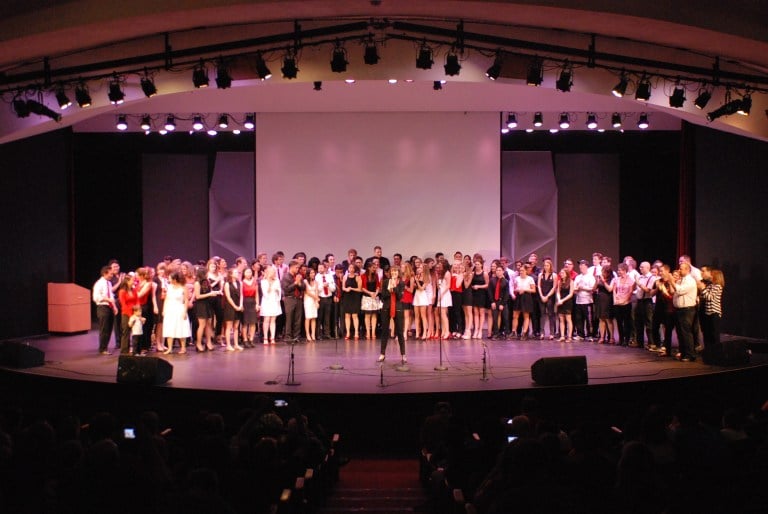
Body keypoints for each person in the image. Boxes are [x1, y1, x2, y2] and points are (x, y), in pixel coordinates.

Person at [377, 265, 407, 363]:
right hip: (386, 308)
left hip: (397, 309)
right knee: (385, 331)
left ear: (398, 273)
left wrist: (394, 287)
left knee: (400, 332)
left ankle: (403, 354)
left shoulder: (401, 283)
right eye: (392, 272)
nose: (394, 273)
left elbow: (399, 296)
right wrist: (389, 289)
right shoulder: (385, 282)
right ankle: (382, 354)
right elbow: (383, 296)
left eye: (395, 272)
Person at [670, 261, 699, 361]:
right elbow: (672, 291)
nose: (679, 270)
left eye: (681, 268)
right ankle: (683, 353)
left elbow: (680, 291)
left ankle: (690, 355)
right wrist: (671, 281)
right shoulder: (680, 280)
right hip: (679, 310)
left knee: (686, 333)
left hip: (687, 310)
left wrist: (672, 281)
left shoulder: (690, 280)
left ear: (687, 270)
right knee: (680, 333)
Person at [162, 270, 192, 354]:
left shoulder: (183, 287)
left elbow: (186, 300)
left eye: (170, 278)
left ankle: (183, 348)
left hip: (179, 309)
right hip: (170, 309)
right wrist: (164, 310)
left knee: (181, 328)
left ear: (175, 279)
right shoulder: (170, 287)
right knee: (169, 328)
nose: (169, 280)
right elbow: (167, 299)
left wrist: (185, 311)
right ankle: (170, 348)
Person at [606, 263, 635, 346]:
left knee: (626, 322)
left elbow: (630, 292)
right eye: (618, 270)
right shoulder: (616, 279)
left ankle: (627, 339)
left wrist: (624, 300)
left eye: (620, 270)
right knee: (619, 322)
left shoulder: (631, 280)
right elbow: (614, 290)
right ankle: (621, 339)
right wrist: (616, 300)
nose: (619, 271)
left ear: (625, 270)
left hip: (626, 303)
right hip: (618, 303)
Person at [193, 266, 220, 352]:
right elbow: (198, 296)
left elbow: (210, 292)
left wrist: (216, 292)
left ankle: (209, 342)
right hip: (201, 305)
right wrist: (210, 294)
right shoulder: (197, 283)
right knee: (202, 325)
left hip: (208, 304)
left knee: (209, 324)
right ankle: (198, 343)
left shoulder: (206, 282)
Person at [92, 265, 117, 355]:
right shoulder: (99, 283)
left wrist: (114, 306)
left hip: (109, 307)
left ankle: (105, 347)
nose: (112, 275)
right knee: (104, 329)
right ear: (104, 273)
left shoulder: (109, 283)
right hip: (102, 308)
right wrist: (107, 299)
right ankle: (102, 348)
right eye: (110, 274)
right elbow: (96, 297)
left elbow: (111, 296)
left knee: (109, 328)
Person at [697, 266, 724, 349]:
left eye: (712, 275)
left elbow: (710, 297)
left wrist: (703, 288)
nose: (710, 276)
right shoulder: (710, 286)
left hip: (714, 314)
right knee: (707, 335)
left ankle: (716, 354)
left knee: (714, 335)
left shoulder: (718, 286)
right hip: (707, 314)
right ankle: (709, 353)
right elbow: (704, 296)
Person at [281, 259, 305, 343]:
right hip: (289, 299)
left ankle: (296, 336)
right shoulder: (286, 276)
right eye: (296, 268)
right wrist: (295, 283)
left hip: (298, 299)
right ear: (291, 267)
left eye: (298, 268)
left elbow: (303, 287)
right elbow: (286, 289)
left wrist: (299, 283)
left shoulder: (298, 276)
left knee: (298, 319)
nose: (297, 269)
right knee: (289, 318)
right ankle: (288, 337)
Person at [511, 263, 536, 340]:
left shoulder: (530, 279)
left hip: (526, 297)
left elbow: (534, 290)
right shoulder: (517, 278)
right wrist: (517, 290)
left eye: (522, 270)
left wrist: (524, 290)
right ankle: (514, 332)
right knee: (515, 315)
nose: (521, 271)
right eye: (520, 270)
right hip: (519, 297)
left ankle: (524, 333)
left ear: (526, 271)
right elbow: (514, 288)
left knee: (526, 316)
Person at [572, 260, 596, 341]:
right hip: (578, 301)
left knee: (589, 320)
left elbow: (593, 288)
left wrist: (583, 288)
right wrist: (576, 289)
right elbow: (574, 288)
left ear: (586, 266)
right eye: (580, 265)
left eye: (582, 265)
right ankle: (580, 335)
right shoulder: (578, 277)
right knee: (579, 319)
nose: (580, 267)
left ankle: (590, 335)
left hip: (587, 301)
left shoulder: (590, 277)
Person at [223, 268, 244, 351]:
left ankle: (236, 344)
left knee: (236, 326)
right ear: (231, 274)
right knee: (229, 326)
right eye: (235, 272)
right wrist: (235, 306)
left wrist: (240, 305)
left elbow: (241, 295)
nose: (237, 273)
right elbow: (228, 297)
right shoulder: (227, 284)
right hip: (230, 307)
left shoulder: (240, 283)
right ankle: (228, 345)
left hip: (238, 305)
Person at [117, 273, 139, 354]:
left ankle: (135, 350)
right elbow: (124, 305)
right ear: (127, 282)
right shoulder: (122, 291)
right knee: (126, 332)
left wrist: (137, 312)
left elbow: (137, 301)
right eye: (132, 280)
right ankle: (124, 351)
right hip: (126, 314)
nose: (134, 282)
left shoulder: (133, 290)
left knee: (136, 332)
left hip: (135, 314)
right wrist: (131, 316)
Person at [260, 266, 282, 344]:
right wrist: (270, 283)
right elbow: (265, 293)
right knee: (266, 320)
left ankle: (272, 337)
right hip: (267, 302)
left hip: (275, 301)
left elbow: (279, 290)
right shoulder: (264, 281)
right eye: (273, 272)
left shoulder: (277, 280)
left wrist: (277, 290)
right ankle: (265, 337)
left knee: (273, 320)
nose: (274, 274)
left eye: (274, 272)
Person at [360, 260, 382, 340]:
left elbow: (378, 286)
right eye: (373, 267)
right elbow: (362, 287)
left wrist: (375, 293)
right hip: (367, 297)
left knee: (374, 315)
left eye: (375, 268)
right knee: (367, 315)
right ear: (368, 268)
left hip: (374, 297)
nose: (374, 269)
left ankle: (373, 332)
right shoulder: (363, 276)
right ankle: (368, 332)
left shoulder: (376, 275)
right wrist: (370, 293)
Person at [537, 257, 557, 340]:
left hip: (550, 297)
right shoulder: (540, 275)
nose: (546, 267)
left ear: (550, 266)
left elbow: (554, 287)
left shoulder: (554, 275)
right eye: (544, 265)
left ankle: (552, 333)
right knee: (542, 314)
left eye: (547, 265)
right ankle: (542, 332)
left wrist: (547, 296)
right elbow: (538, 286)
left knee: (551, 314)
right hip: (541, 296)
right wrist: (542, 296)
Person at [341, 264, 362, 340]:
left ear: (355, 269)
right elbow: (343, 287)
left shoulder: (358, 277)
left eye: (352, 267)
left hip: (355, 298)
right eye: (350, 267)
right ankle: (348, 332)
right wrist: (346, 289)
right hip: (347, 297)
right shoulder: (345, 276)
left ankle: (356, 332)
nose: (351, 269)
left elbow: (360, 289)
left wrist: (351, 288)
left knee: (354, 316)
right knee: (347, 315)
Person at [488, 266, 510, 339]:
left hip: (502, 302)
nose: (498, 271)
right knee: (495, 318)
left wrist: (502, 304)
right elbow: (490, 292)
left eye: (500, 270)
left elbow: (507, 294)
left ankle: (507, 333)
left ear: (503, 271)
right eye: (497, 270)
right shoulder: (492, 280)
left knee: (505, 318)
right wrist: (492, 301)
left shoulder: (505, 281)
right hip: (495, 301)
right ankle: (495, 333)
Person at [594, 266, 615, 344]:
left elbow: (610, 289)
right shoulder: (599, 279)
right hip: (600, 299)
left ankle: (612, 337)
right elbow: (594, 289)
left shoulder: (612, 279)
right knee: (601, 319)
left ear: (608, 273)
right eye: (602, 271)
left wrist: (603, 281)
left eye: (604, 272)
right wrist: (597, 281)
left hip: (608, 300)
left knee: (608, 319)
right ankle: (602, 337)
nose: (602, 273)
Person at [470, 257, 489, 339]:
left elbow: (487, 285)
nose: (477, 265)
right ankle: (476, 330)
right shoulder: (473, 273)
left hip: (481, 294)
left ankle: (480, 330)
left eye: (478, 264)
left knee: (481, 313)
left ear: (481, 265)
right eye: (476, 264)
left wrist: (479, 286)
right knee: (475, 313)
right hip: (474, 294)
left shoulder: (484, 273)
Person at [316, 262, 336, 340]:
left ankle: (327, 333)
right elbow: (316, 289)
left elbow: (333, 288)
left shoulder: (329, 276)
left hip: (328, 298)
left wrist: (328, 285)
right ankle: (318, 334)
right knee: (320, 317)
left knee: (327, 317)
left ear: (325, 268)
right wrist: (322, 286)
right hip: (321, 298)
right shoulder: (317, 277)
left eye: (321, 268)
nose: (319, 269)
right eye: (318, 268)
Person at [434, 260, 453, 339]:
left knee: (443, 314)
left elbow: (448, 286)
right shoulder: (440, 274)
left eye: (440, 265)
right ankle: (444, 331)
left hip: (445, 294)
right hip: (440, 293)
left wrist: (442, 294)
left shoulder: (447, 273)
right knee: (441, 314)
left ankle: (447, 332)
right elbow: (438, 286)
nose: (439, 266)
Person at [241, 267, 260, 347]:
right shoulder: (242, 282)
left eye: (250, 272)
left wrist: (257, 304)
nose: (249, 274)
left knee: (252, 322)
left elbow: (257, 294)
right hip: (245, 302)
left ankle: (251, 339)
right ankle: (245, 340)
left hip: (252, 302)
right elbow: (241, 295)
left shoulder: (255, 282)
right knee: (245, 323)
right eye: (247, 272)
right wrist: (241, 304)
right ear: (244, 273)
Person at [556, 268, 574, 342]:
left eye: (563, 273)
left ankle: (569, 337)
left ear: (566, 274)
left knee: (568, 319)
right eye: (561, 273)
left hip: (567, 302)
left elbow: (571, 294)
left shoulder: (571, 281)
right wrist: (559, 299)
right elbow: (558, 292)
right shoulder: (559, 281)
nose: (561, 274)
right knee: (561, 319)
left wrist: (562, 300)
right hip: (561, 302)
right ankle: (562, 336)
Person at [303, 268, 320, 342]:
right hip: (308, 300)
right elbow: (307, 292)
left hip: (314, 301)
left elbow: (316, 291)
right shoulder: (305, 281)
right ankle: (308, 334)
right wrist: (316, 298)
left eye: (314, 272)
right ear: (308, 274)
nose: (313, 274)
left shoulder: (316, 282)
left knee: (314, 317)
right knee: (308, 317)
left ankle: (313, 334)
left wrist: (316, 301)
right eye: (311, 273)